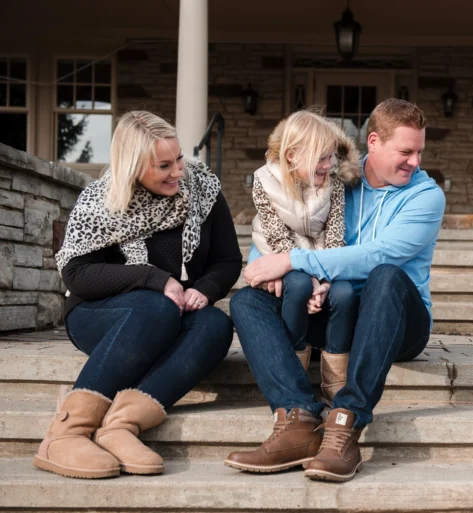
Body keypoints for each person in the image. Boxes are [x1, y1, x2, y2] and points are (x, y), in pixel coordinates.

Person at [224, 99, 445, 482]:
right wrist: (268, 262)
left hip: (398, 320)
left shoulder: (426, 196)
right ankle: (297, 418)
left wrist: (295, 262)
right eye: (406, 151)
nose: (415, 161)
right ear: (373, 142)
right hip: (334, 307)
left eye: (420, 151)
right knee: (246, 301)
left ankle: (346, 422)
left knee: (386, 274)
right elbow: (278, 220)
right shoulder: (332, 174)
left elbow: (378, 255)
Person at [34, 111, 241, 479]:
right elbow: (78, 275)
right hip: (101, 313)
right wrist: (153, 279)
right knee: (156, 307)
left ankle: (120, 426)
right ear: (133, 167)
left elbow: (227, 260)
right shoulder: (102, 201)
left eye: (178, 158)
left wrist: (204, 291)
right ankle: (65, 433)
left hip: (175, 310)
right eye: (164, 165)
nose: (178, 171)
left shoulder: (203, 189)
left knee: (215, 326)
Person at [250, 111, 361, 403]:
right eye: (320, 158)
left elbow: (336, 231)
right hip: (283, 255)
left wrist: (324, 278)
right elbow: (276, 236)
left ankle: (335, 380)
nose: (328, 165)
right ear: (291, 155)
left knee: (346, 292)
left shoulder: (333, 182)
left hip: (323, 258)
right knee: (297, 285)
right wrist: (310, 278)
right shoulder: (264, 182)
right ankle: (295, 373)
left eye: (331, 157)